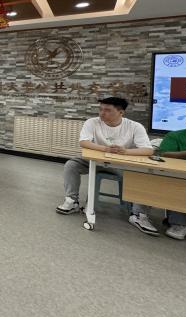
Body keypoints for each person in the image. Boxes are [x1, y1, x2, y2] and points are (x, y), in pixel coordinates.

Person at [55, 97, 157, 236]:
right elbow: (84, 142)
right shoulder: (92, 122)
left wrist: (125, 151)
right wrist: (106, 149)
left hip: (122, 165)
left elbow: (148, 150)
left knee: (144, 175)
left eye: (108, 110)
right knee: (71, 165)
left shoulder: (134, 126)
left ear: (121, 112)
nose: (102, 113)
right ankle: (72, 201)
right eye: (101, 109)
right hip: (95, 161)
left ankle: (139, 214)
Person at [158, 107, 186, 240]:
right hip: (180, 175)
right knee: (176, 185)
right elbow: (163, 154)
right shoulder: (175, 136)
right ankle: (180, 223)